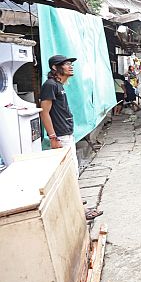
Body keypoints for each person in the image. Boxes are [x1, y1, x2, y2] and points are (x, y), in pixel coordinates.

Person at [40, 54, 102, 221]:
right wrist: (53, 137)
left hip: (67, 134)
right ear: (55, 68)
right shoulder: (50, 85)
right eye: (66, 64)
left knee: (73, 172)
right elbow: (44, 112)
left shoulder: (59, 85)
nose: (70, 66)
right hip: (60, 136)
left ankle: (76, 206)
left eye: (70, 64)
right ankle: (78, 211)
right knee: (70, 173)